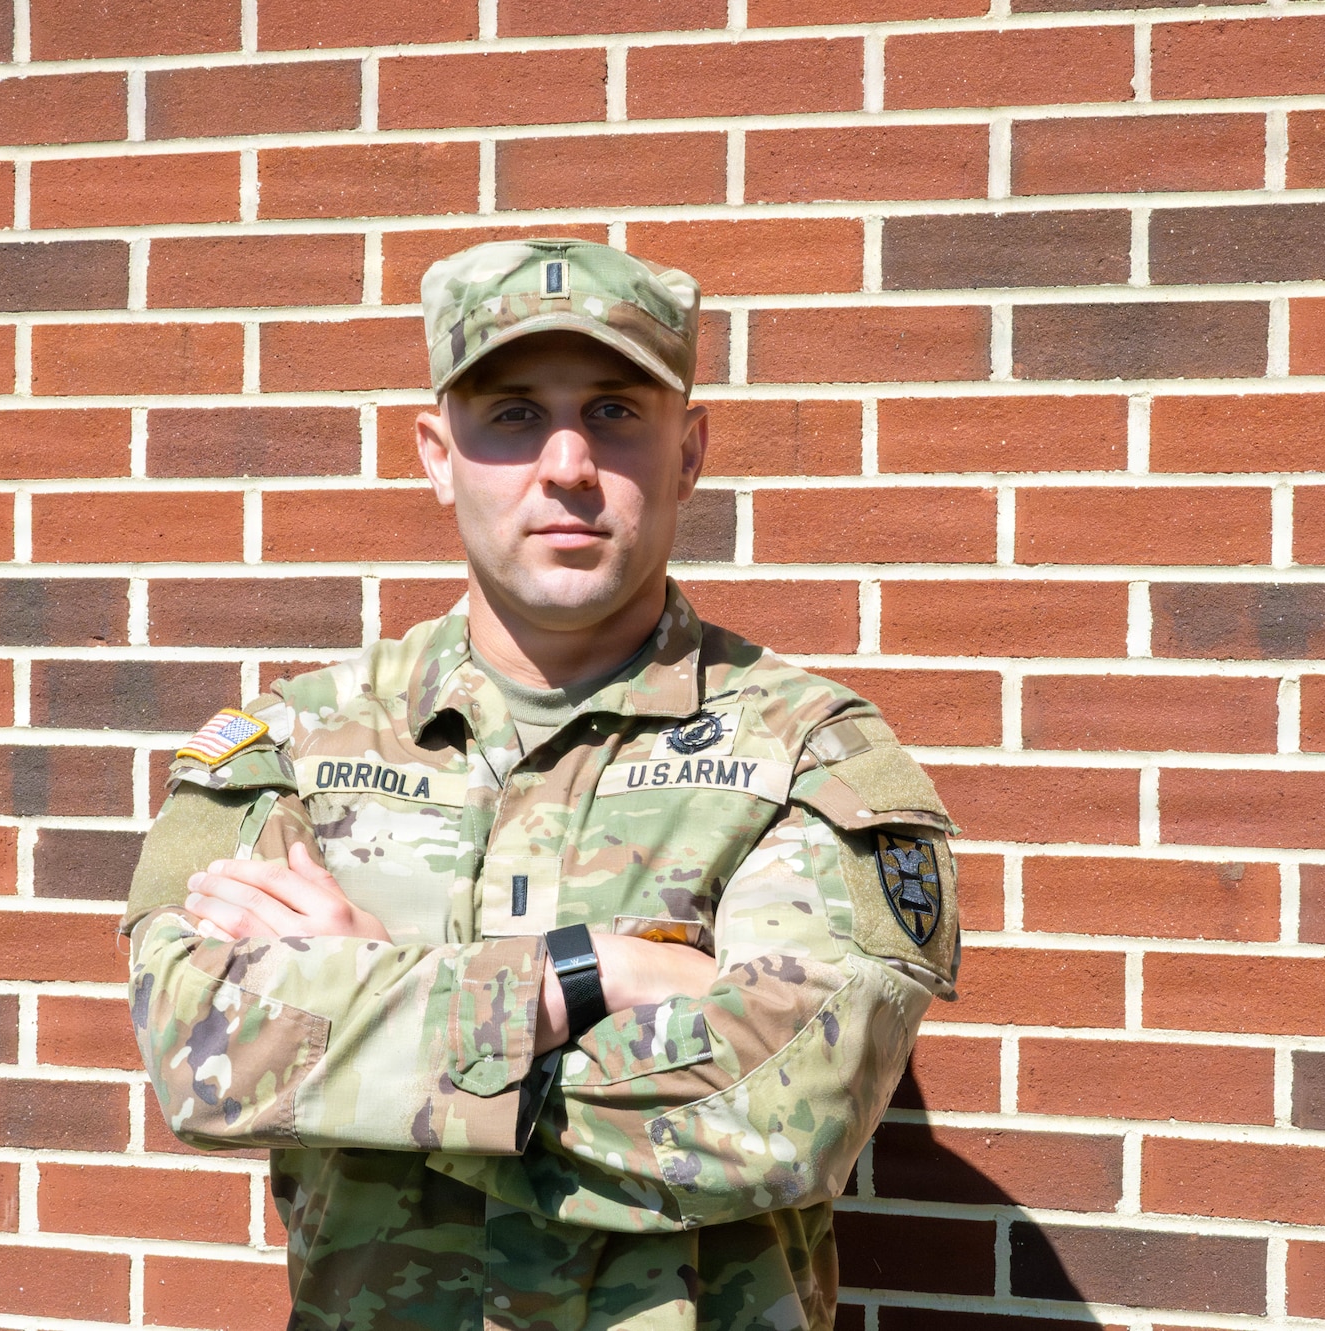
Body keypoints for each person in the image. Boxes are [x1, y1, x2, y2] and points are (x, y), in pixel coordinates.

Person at [120, 238, 962, 1331]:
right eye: (511, 414)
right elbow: (202, 1056)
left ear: (689, 449)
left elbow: (787, 1114)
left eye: (614, 410)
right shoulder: (293, 742)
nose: (566, 461)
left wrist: (371, 997)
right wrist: (584, 974)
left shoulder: (809, 751)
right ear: (435, 453)